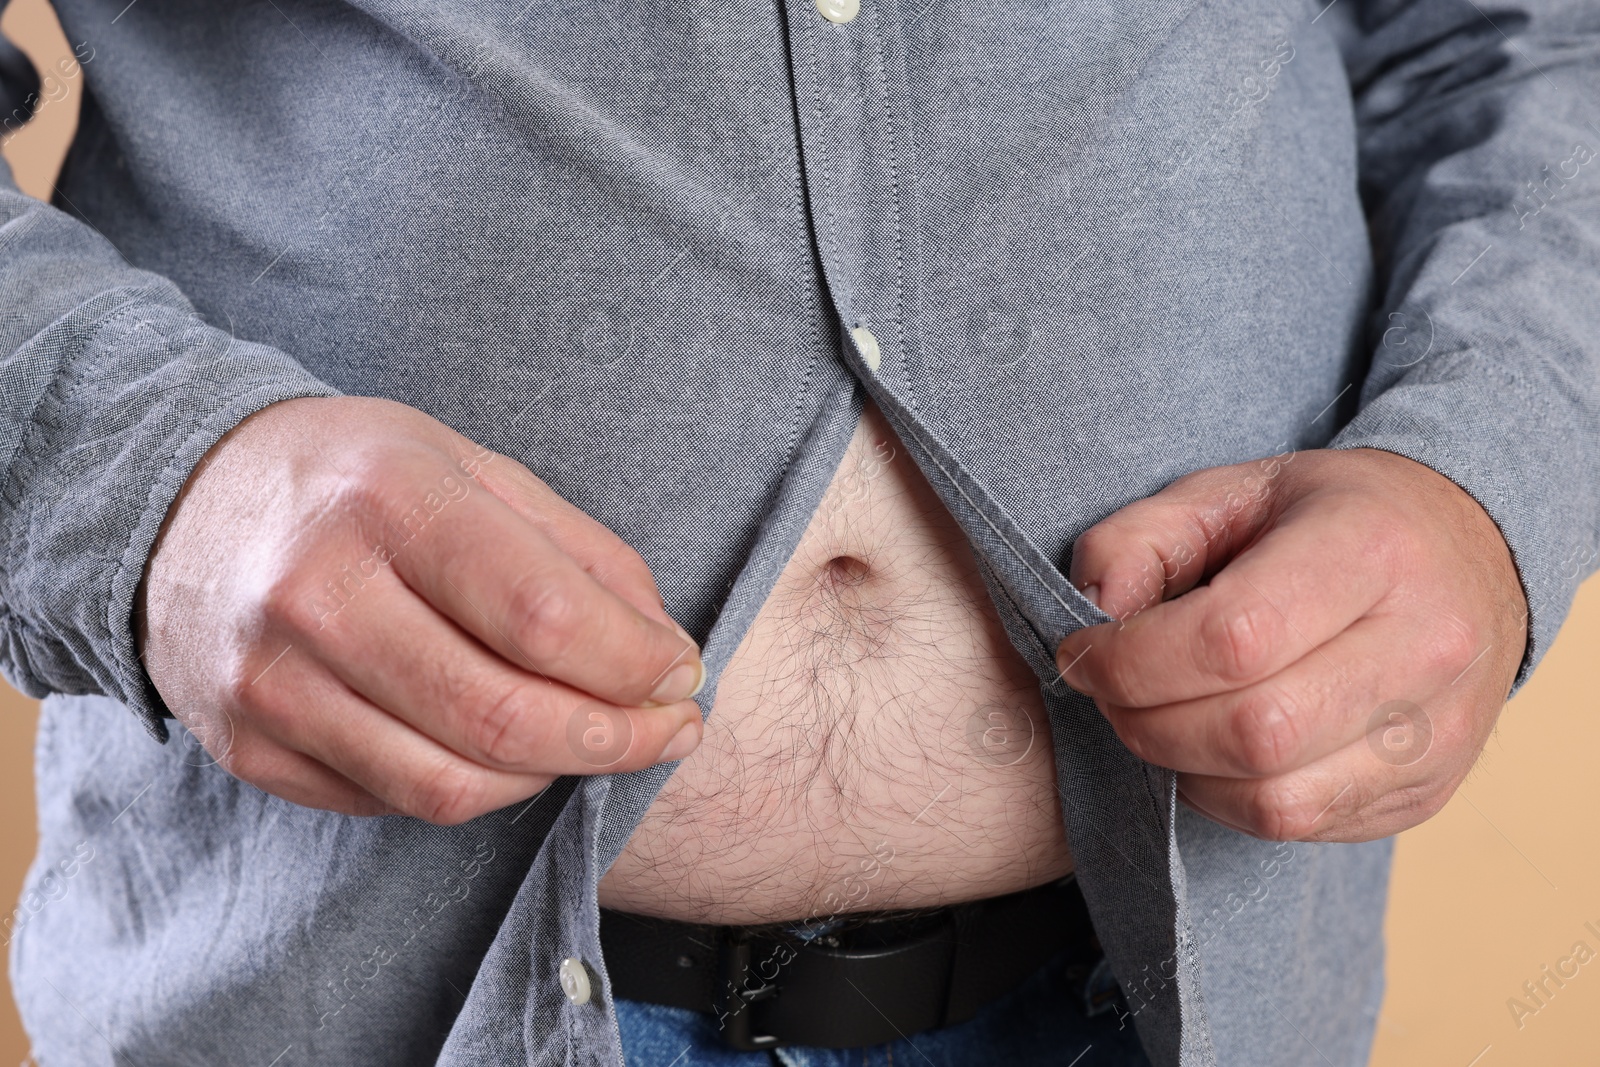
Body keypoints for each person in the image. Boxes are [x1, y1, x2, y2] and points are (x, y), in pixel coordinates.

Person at [0, 0, 1594, 1062]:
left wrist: (1487, 475)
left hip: (1198, 984)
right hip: (344, 993)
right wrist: (152, 485)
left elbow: (1533, 37)